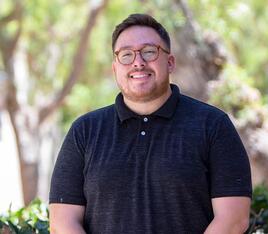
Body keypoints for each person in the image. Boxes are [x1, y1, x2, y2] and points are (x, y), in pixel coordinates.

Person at [49, 13, 252, 234]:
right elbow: (62, 222)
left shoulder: (212, 125)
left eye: (149, 52)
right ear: (115, 68)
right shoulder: (85, 131)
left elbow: (233, 220)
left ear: (170, 62)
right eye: (126, 55)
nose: (138, 62)